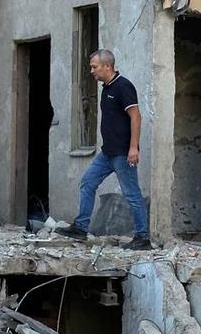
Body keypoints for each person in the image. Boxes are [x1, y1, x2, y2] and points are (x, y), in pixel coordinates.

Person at [56, 49, 151, 250]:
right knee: (88, 183)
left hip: (123, 153)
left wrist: (134, 148)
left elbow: (136, 116)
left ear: (107, 66)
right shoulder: (106, 88)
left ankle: (143, 238)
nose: (91, 71)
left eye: (94, 67)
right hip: (107, 153)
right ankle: (80, 228)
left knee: (132, 195)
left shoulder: (123, 87)